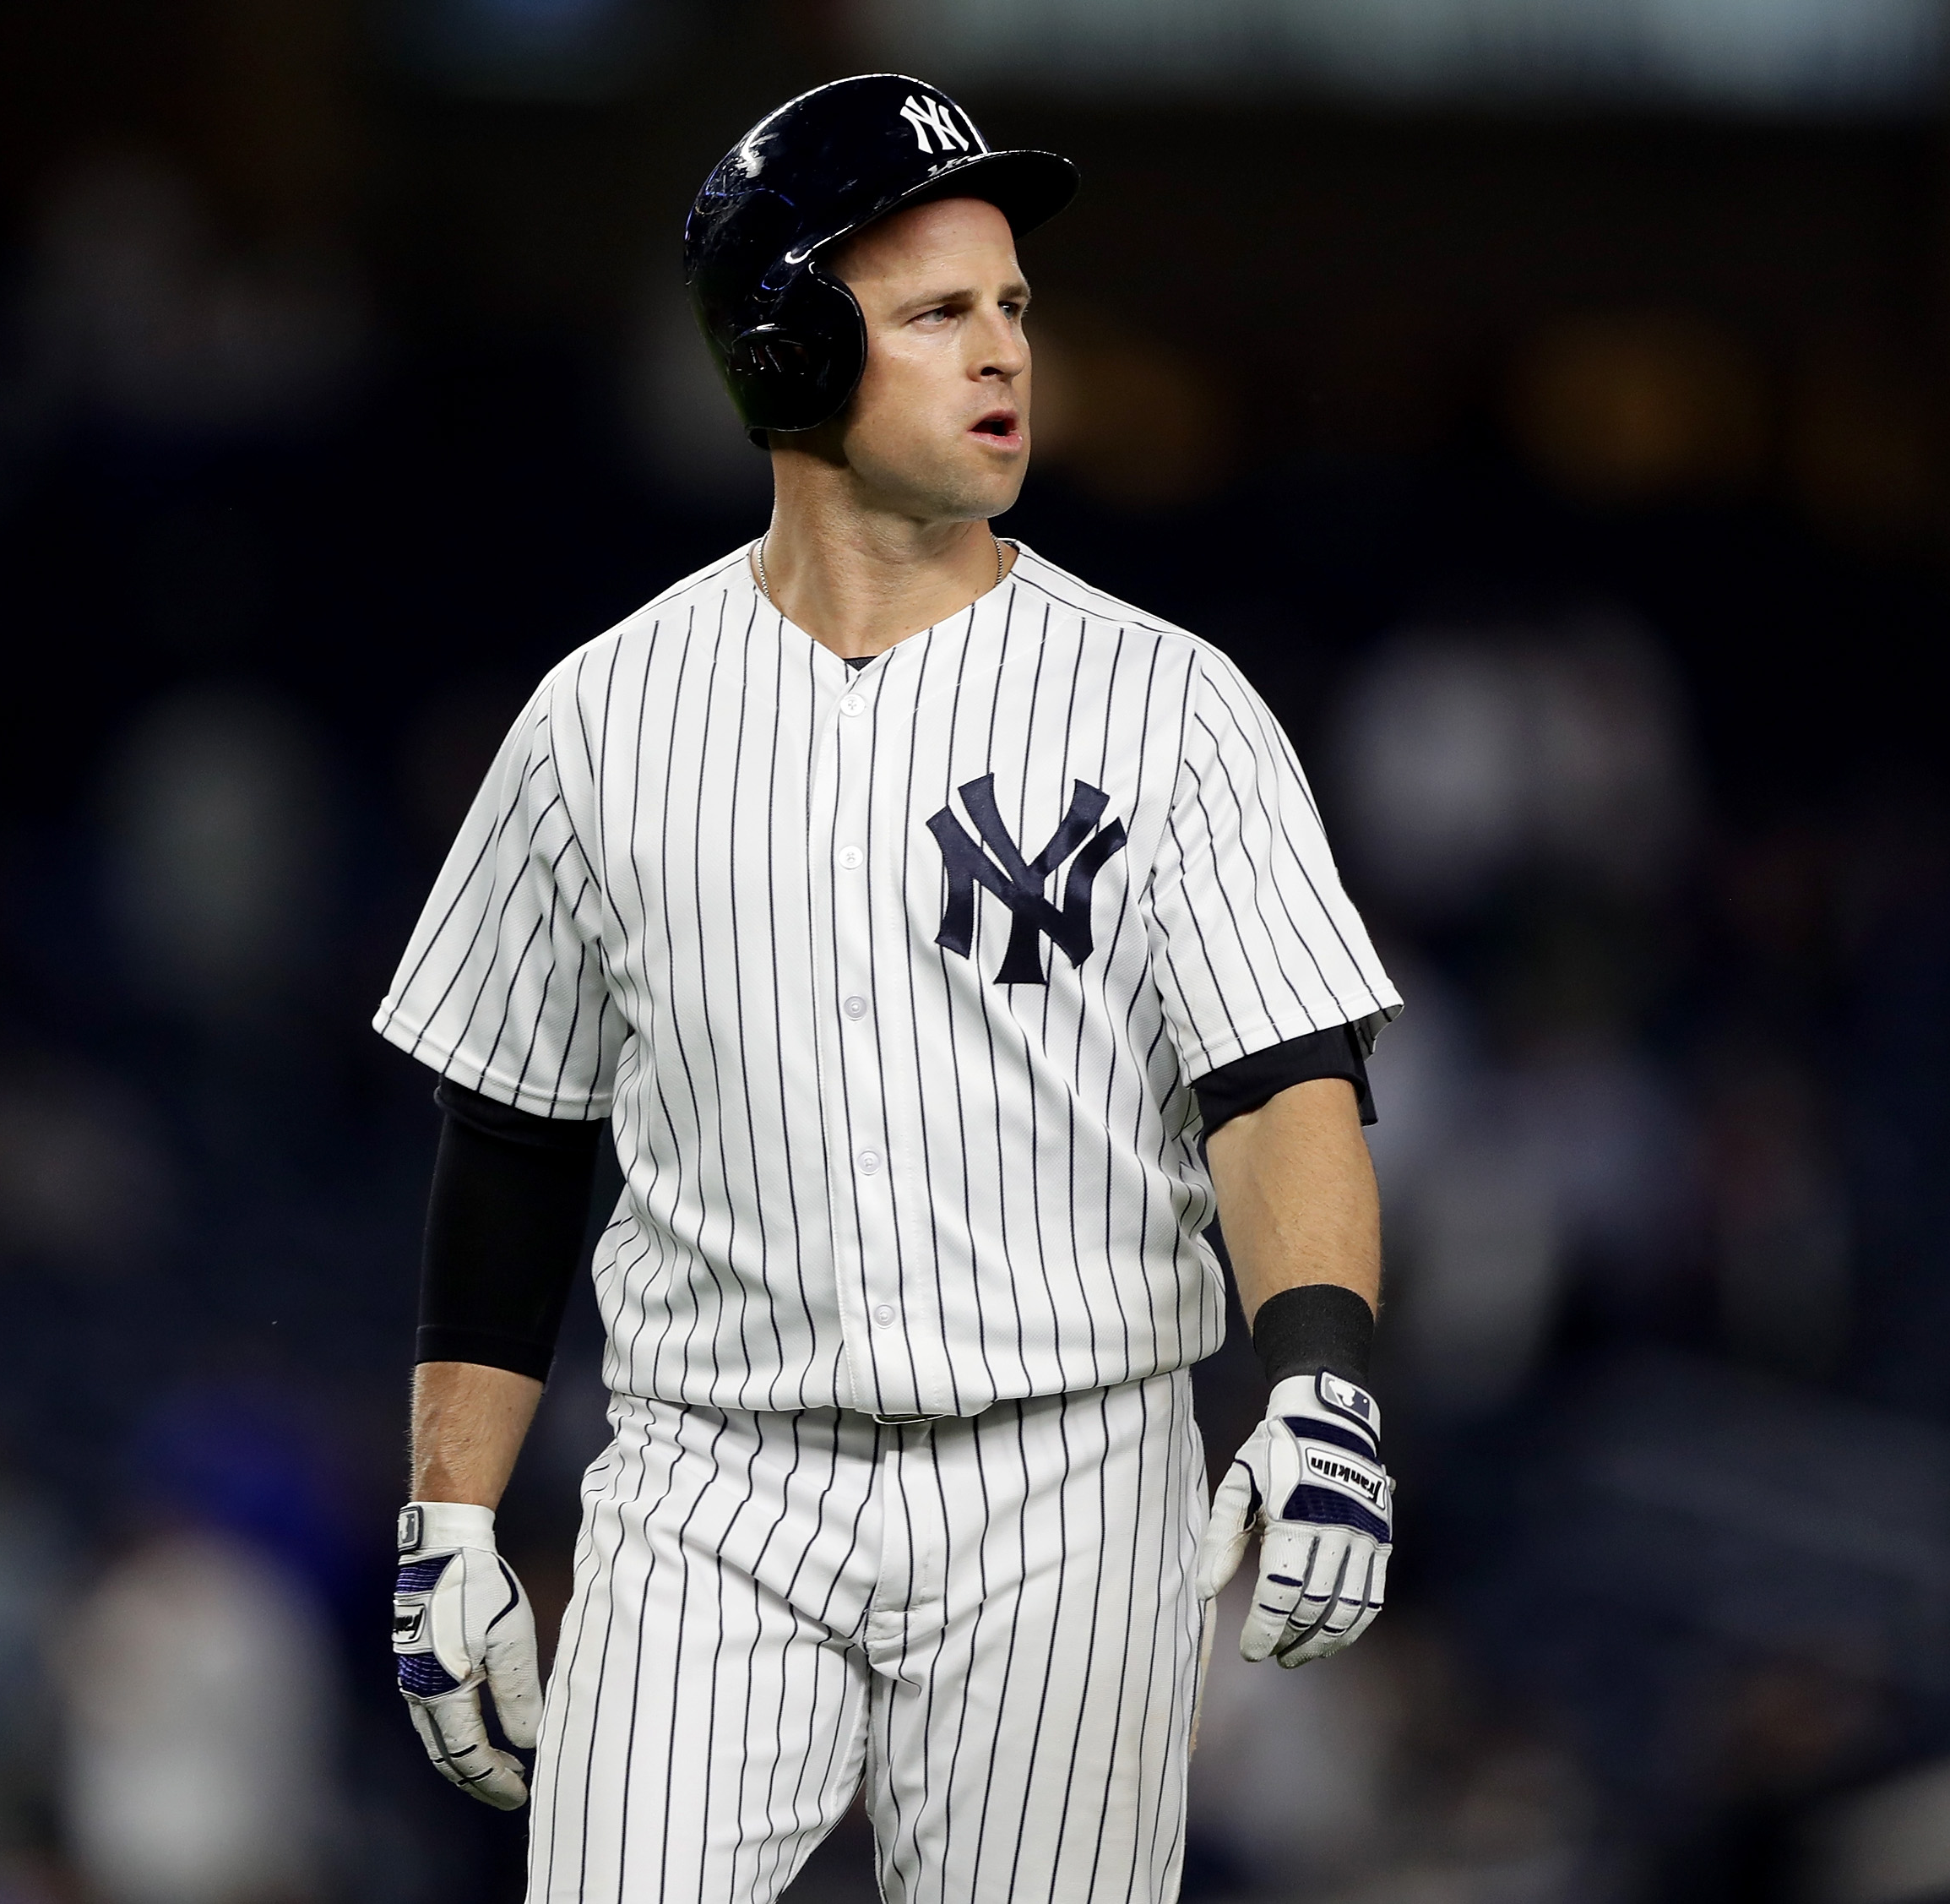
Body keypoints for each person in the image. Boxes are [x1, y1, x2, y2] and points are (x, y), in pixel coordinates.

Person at [374, 73, 1403, 1904]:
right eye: (939, 312)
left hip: (1072, 1476)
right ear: (786, 342)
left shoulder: (1167, 700)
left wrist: (1319, 1380)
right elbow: (514, 1134)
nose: (1004, 349)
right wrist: (452, 1508)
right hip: (710, 1481)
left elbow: (1279, 1079)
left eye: (1013, 306)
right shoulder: (604, 715)